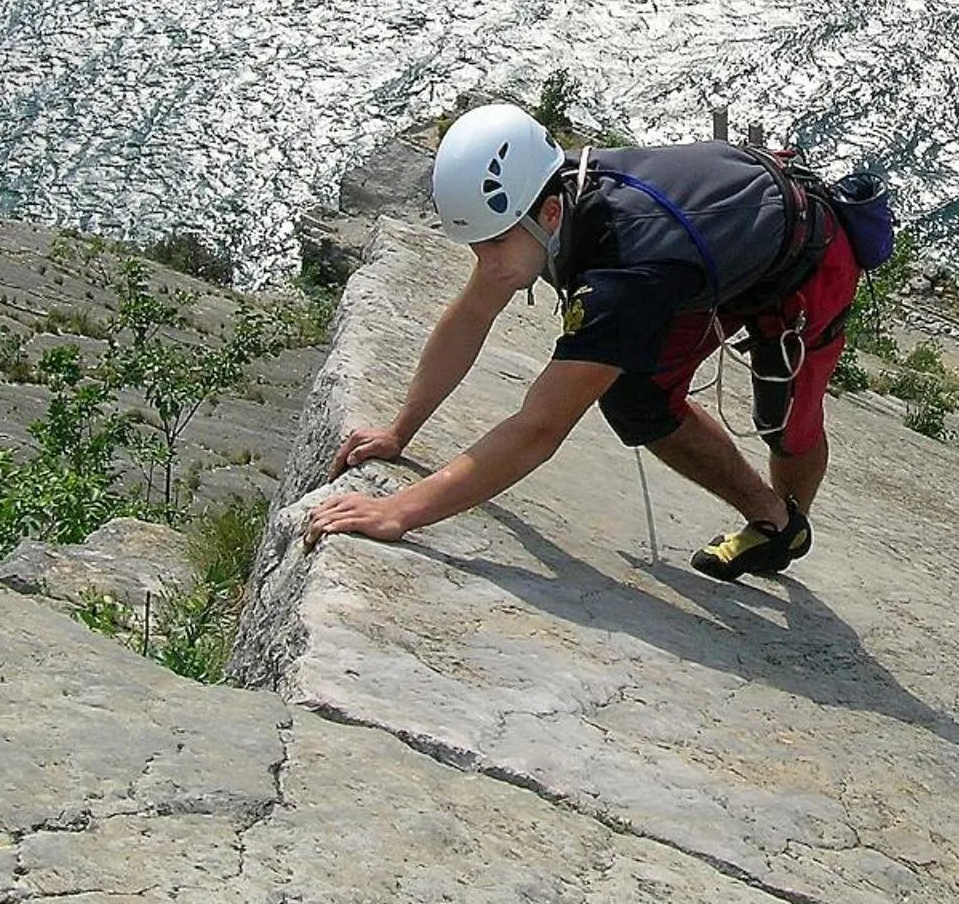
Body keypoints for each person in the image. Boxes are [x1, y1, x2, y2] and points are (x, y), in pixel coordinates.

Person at [302, 102, 864, 580]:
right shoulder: (543, 201)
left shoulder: (620, 275)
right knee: (635, 403)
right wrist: (400, 430)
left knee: (786, 425)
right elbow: (473, 312)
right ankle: (772, 520)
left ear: (548, 214)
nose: (485, 263)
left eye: (493, 244)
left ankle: (792, 522)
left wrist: (398, 511)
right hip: (705, 249)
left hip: (805, 259)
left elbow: (538, 429)